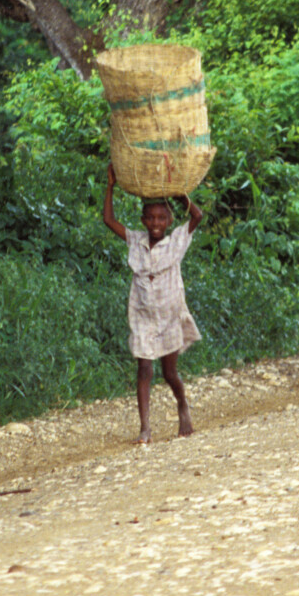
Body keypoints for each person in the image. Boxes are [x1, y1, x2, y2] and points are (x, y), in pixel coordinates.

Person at [102, 164, 203, 444]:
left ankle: (182, 402)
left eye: (161, 218)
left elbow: (198, 216)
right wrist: (110, 185)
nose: (156, 223)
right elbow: (108, 220)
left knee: (170, 373)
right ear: (143, 220)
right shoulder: (135, 241)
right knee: (144, 368)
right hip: (143, 313)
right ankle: (145, 428)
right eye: (151, 218)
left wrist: (182, 195)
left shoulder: (176, 242)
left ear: (169, 220)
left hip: (170, 315)